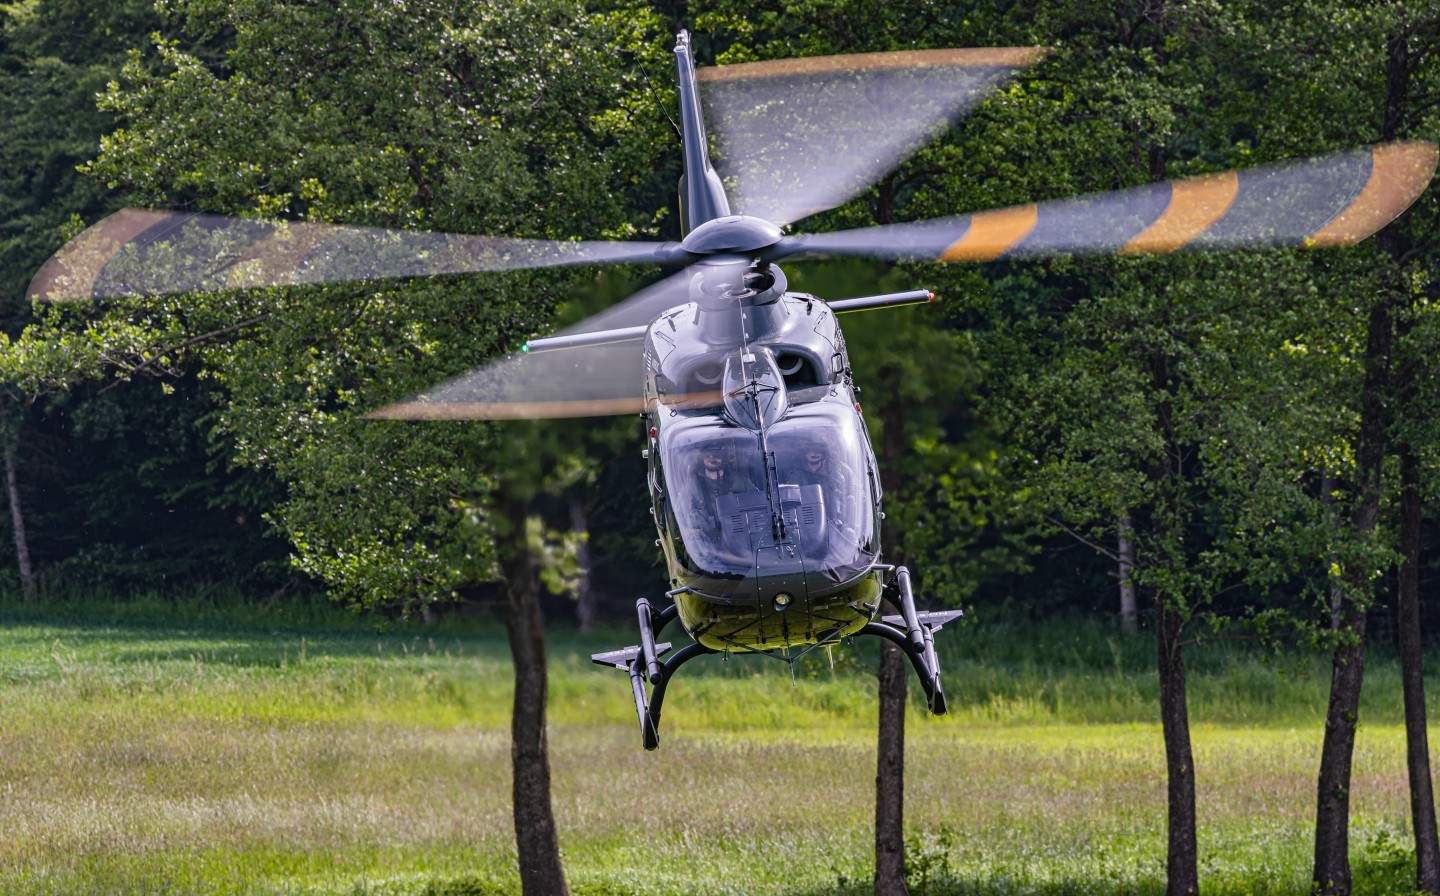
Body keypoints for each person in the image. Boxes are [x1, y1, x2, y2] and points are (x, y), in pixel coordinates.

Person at [689, 440, 756, 529]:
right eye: (707, 454)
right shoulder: (691, 487)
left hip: (740, 537)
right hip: (706, 541)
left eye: (717, 454)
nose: (712, 457)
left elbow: (757, 510)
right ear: (702, 457)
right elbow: (682, 520)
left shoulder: (742, 483)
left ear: (724, 456)